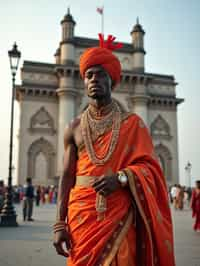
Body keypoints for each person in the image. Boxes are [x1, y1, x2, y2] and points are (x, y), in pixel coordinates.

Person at [53, 33, 175, 266]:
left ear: (112, 80)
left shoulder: (133, 124)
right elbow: (67, 175)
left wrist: (121, 178)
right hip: (81, 216)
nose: (94, 79)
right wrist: (59, 223)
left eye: (100, 74)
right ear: (83, 81)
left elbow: (150, 168)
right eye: (89, 75)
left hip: (119, 214)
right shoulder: (74, 127)